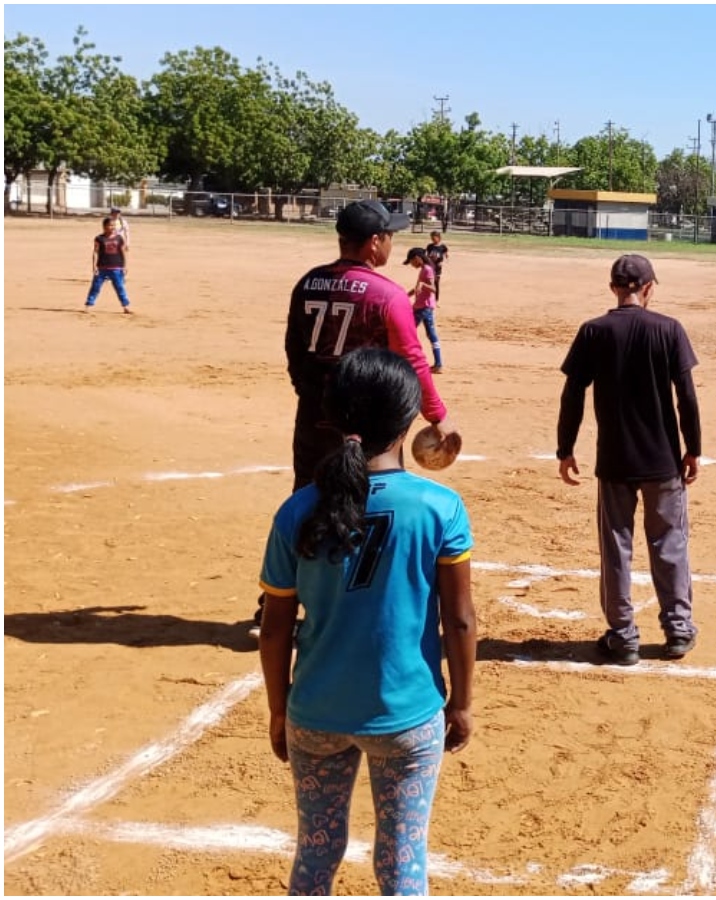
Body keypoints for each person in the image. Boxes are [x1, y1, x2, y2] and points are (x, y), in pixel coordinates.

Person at [258, 347, 476, 897]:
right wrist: (464, 703)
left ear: (332, 418)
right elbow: (461, 621)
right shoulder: (439, 507)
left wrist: (280, 710)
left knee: (315, 854)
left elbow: (276, 626)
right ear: (407, 423)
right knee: (402, 864)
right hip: (406, 716)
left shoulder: (297, 510)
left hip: (316, 713)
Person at [260, 198, 460, 636]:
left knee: (309, 498)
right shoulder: (386, 293)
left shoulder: (308, 283)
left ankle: (277, 604)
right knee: (377, 503)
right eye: (390, 236)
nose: (392, 244)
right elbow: (411, 357)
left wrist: (310, 395)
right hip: (371, 423)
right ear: (374, 243)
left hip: (315, 415)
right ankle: (364, 600)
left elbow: (294, 349)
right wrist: (437, 414)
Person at [556, 254, 703, 667]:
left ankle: (623, 638)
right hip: (661, 461)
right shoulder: (669, 329)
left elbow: (572, 395)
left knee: (616, 548)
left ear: (614, 288)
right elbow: (686, 398)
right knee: (669, 543)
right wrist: (693, 447)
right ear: (649, 287)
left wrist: (565, 448)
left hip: (615, 461)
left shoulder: (594, 331)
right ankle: (677, 630)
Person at [405, 247, 444, 374]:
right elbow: (417, 288)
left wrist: (422, 285)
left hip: (423, 307)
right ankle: (438, 364)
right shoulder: (424, 269)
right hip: (424, 307)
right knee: (431, 335)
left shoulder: (427, 269)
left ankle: (408, 360)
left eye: (411, 262)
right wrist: (406, 295)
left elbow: (433, 288)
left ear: (417, 258)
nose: (411, 265)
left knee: (407, 332)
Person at [85, 216, 132, 314]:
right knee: (95, 287)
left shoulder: (119, 238)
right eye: (110, 225)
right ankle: (89, 305)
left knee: (120, 287)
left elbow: (123, 252)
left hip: (116, 267)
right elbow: (95, 252)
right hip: (102, 267)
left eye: (113, 225)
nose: (112, 227)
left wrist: (125, 266)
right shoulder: (99, 238)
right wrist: (94, 266)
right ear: (104, 226)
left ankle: (126, 306)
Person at [425, 230, 449, 300]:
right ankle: (429, 298)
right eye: (431, 238)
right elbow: (426, 256)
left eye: (434, 238)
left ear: (439, 238)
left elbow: (446, 254)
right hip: (430, 267)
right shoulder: (429, 246)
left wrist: (443, 261)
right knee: (429, 283)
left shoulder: (442, 247)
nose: (432, 240)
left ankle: (436, 300)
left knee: (436, 283)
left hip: (437, 268)